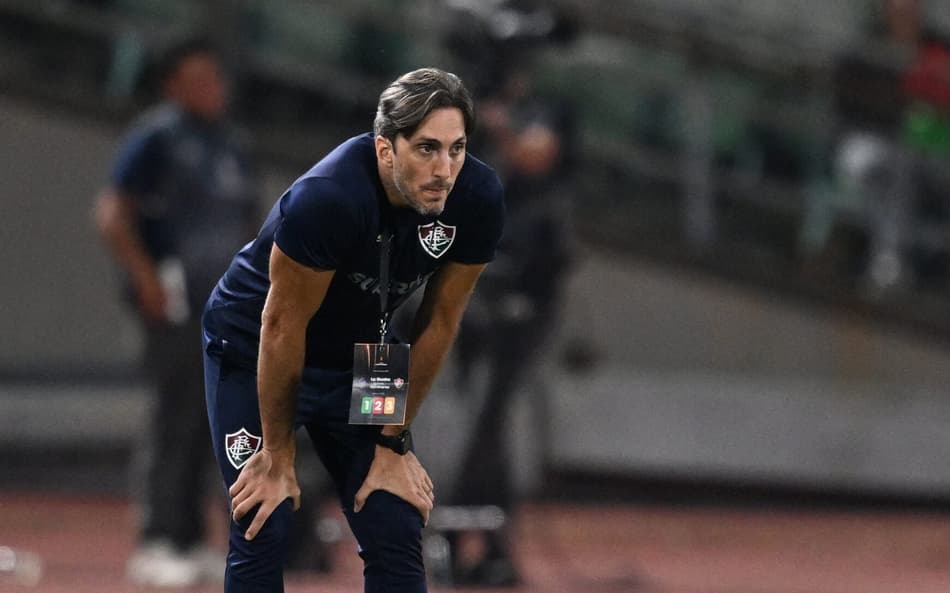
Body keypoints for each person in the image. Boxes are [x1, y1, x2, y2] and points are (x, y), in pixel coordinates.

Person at [202, 67, 505, 592]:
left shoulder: (477, 197)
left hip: (367, 352)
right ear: (386, 149)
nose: (445, 169)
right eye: (427, 149)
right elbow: (281, 325)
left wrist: (393, 444)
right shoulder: (329, 196)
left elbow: (440, 320)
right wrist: (276, 453)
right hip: (255, 348)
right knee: (264, 515)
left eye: (457, 149)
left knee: (395, 514)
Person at [93, 38, 259, 587]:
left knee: (211, 420)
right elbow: (113, 212)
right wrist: (144, 277)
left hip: (225, 306)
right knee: (174, 415)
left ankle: (190, 538)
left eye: (216, 79)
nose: (211, 90)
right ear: (173, 86)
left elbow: (249, 227)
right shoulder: (157, 137)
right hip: (175, 300)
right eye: (198, 81)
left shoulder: (231, 144)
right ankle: (157, 538)